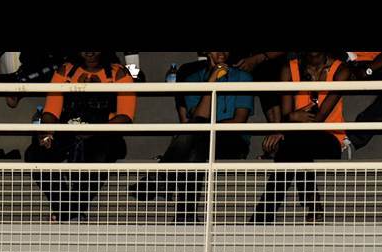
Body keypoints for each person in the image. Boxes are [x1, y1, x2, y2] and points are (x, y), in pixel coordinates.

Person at [130, 51, 254, 223]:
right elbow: (199, 117)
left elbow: (239, 121)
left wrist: (208, 127)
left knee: (196, 135)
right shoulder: (193, 79)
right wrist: (211, 82)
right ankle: (186, 216)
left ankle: (161, 179)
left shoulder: (243, 77)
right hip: (200, 140)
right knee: (197, 144)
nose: (222, 52)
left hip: (232, 141)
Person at [24, 51, 136, 222]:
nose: (89, 52)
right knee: (35, 153)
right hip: (67, 131)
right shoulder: (65, 70)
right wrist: (47, 133)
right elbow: (51, 111)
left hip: (103, 134)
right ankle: (68, 210)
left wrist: (94, 131)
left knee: (99, 155)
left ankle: (68, 212)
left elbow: (126, 116)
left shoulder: (119, 72)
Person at [250, 51, 351, 224]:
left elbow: (318, 118)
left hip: (329, 138)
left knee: (292, 144)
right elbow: (287, 114)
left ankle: (261, 218)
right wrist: (291, 118)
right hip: (296, 139)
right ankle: (312, 202)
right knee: (295, 145)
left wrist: (291, 119)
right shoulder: (289, 69)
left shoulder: (341, 70)